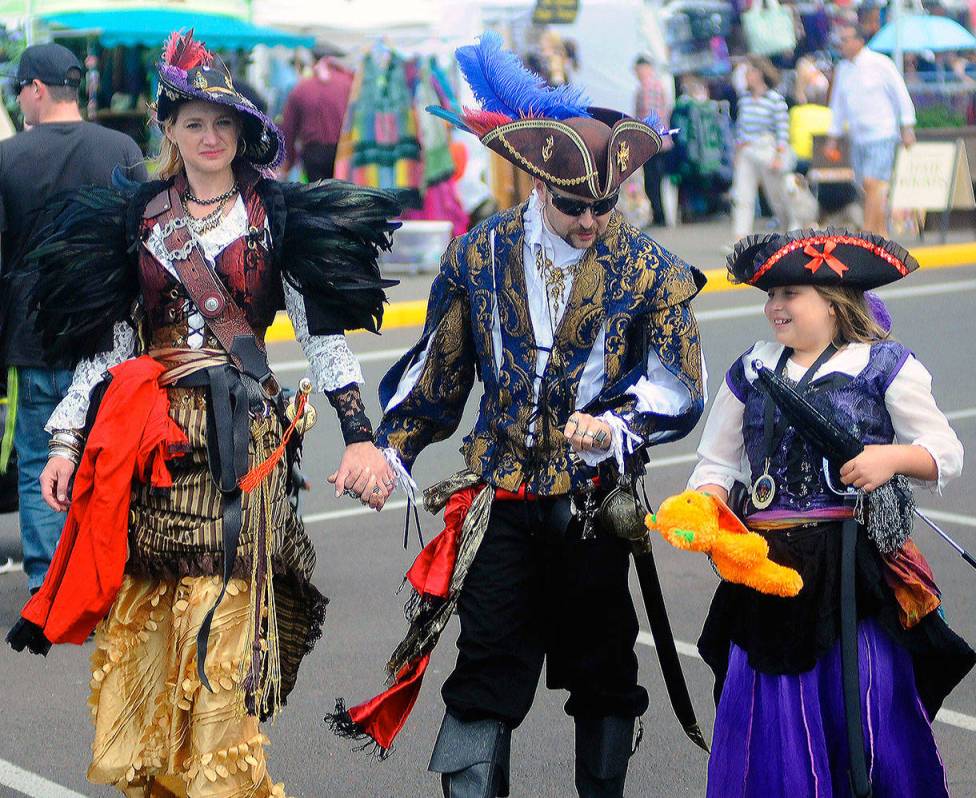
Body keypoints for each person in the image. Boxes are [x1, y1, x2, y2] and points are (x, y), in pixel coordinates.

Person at [6, 31, 401, 796]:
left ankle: (221, 786)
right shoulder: (139, 218)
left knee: (224, 629)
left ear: (244, 133)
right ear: (170, 130)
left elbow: (325, 342)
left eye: (224, 124)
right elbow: (112, 348)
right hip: (150, 447)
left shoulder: (276, 216)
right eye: (194, 123)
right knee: (153, 625)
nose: (210, 137)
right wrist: (62, 441)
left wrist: (362, 440)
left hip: (242, 444)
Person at [327, 33, 706, 798]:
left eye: (605, 204)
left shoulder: (651, 266)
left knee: (602, 671)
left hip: (595, 505)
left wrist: (619, 424)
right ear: (536, 184)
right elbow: (439, 372)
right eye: (574, 206)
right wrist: (385, 450)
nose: (592, 220)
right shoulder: (479, 255)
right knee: (486, 670)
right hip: (499, 499)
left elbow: (679, 383)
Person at [687, 229, 976, 796]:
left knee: (858, 710)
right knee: (770, 718)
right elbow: (716, 464)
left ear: (835, 300)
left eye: (790, 293)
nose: (774, 306)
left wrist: (888, 459)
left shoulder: (885, 365)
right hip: (766, 573)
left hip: (848, 572)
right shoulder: (752, 369)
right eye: (769, 294)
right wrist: (706, 509)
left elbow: (946, 452)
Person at [0, 43, 148, 595]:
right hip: (106, 333)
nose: (19, 103)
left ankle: (51, 589)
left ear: (36, 90)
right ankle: (104, 580)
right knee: (106, 460)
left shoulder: (7, 158)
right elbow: (143, 245)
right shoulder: (122, 147)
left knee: (41, 458)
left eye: (19, 91)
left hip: (31, 333)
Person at [827, 22, 917, 236]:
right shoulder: (843, 69)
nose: (843, 45)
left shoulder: (880, 64)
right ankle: (879, 233)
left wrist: (906, 127)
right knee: (866, 187)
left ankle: (869, 232)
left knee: (873, 182)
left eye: (846, 39)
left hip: (882, 132)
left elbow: (900, 95)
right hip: (858, 137)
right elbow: (838, 105)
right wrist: (833, 136)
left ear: (859, 41)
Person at [730, 56, 795, 244]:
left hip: (767, 149)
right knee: (743, 195)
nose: (746, 76)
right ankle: (740, 237)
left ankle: (788, 229)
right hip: (747, 150)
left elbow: (782, 130)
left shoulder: (775, 99)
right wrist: (737, 152)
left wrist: (779, 155)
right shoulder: (744, 100)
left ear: (759, 74)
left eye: (750, 72)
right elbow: (741, 127)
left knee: (776, 196)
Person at [279, 47, 354, 181]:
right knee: (344, 196)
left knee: (317, 196)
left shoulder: (302, 87)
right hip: (344, 151)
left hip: (314, 154)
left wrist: (287, 163)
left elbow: (288, 129)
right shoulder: (349, 84)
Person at [634, 55, 671, 226]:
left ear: (645, 68)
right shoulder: (658, 85)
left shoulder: (647, 87)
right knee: (656, 180)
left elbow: (649, 117)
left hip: (651, 140)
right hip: (661, 139)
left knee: (652, 180)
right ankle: (660, 215)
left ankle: (659, 216)